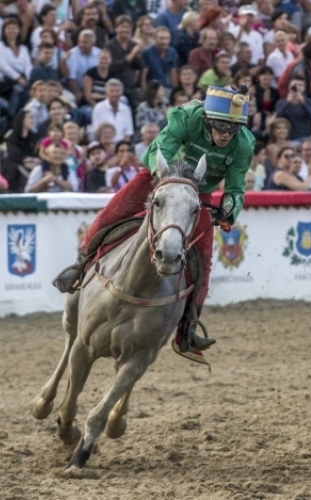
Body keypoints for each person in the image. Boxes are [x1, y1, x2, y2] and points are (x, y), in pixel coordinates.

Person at [52, 86, 256, 363]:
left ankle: (188, 326)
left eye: (232, 129)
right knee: (114, 211)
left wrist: (228, 210)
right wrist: (168, 181)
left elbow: (236, 187)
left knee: (204, 258)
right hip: (160, 176)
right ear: (207, 119)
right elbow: (161, 148)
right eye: (220, 126)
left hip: (197, 192)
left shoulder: (243, 142)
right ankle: (80, 265)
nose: (225, 134)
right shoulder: (186, 117)